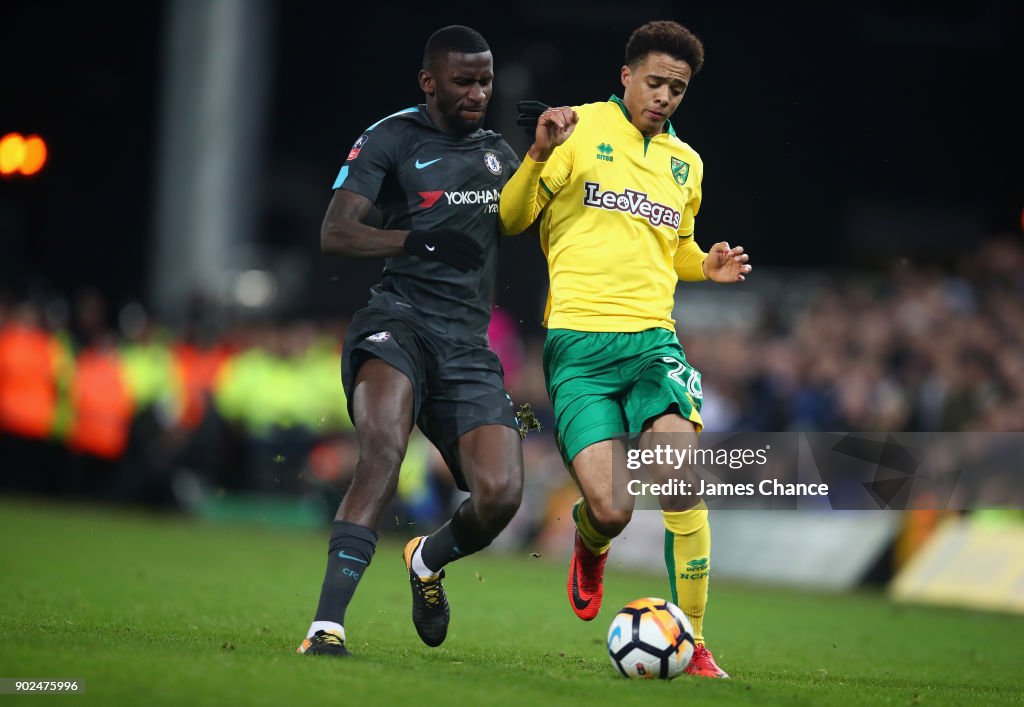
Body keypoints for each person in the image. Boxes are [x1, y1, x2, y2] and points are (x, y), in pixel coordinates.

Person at [500, 20, 750, 678]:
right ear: (626, 77)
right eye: (656, 82)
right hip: (577, 349)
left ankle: (693, 641)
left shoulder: (686, 163)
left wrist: (708, 264)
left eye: (679, 87)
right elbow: (513, 217)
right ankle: (591, 536)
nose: (665, 96)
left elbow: (678, 251)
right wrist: (536, 154)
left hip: (651, 345)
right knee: (613, 508)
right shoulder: (575, 128)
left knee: (677, 475)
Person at [297, 25, 524, 657]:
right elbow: (336, 233)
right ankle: (325, 628)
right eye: (464, 80)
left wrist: (550, 154)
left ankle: (426, 559)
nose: (478, 92)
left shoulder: (501, 155)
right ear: (429, 81)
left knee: (501, 496)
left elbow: (544, 216)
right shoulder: (390, 138)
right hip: (396, 321)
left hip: (466, 345)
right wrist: (414, 239)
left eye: (486, 80)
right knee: (383, 453)